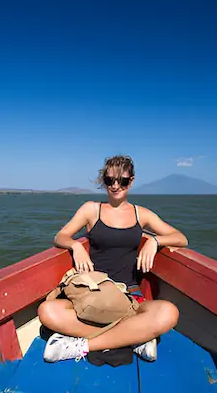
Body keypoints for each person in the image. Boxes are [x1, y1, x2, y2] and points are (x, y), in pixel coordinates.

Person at [38, 155, 188, 363]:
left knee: (168, 313)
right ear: (104, 181)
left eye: (123, 181)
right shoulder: (91, 209)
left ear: (131, 181)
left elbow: (180, 238)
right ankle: (133, 337)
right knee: (47, 312)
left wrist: (154, 241)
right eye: (110, 180)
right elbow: (60, 236)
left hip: (128, 296)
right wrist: (75, 246)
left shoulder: (141, 214)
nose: (116, 186)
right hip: (93, 293)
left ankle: (82, 345)